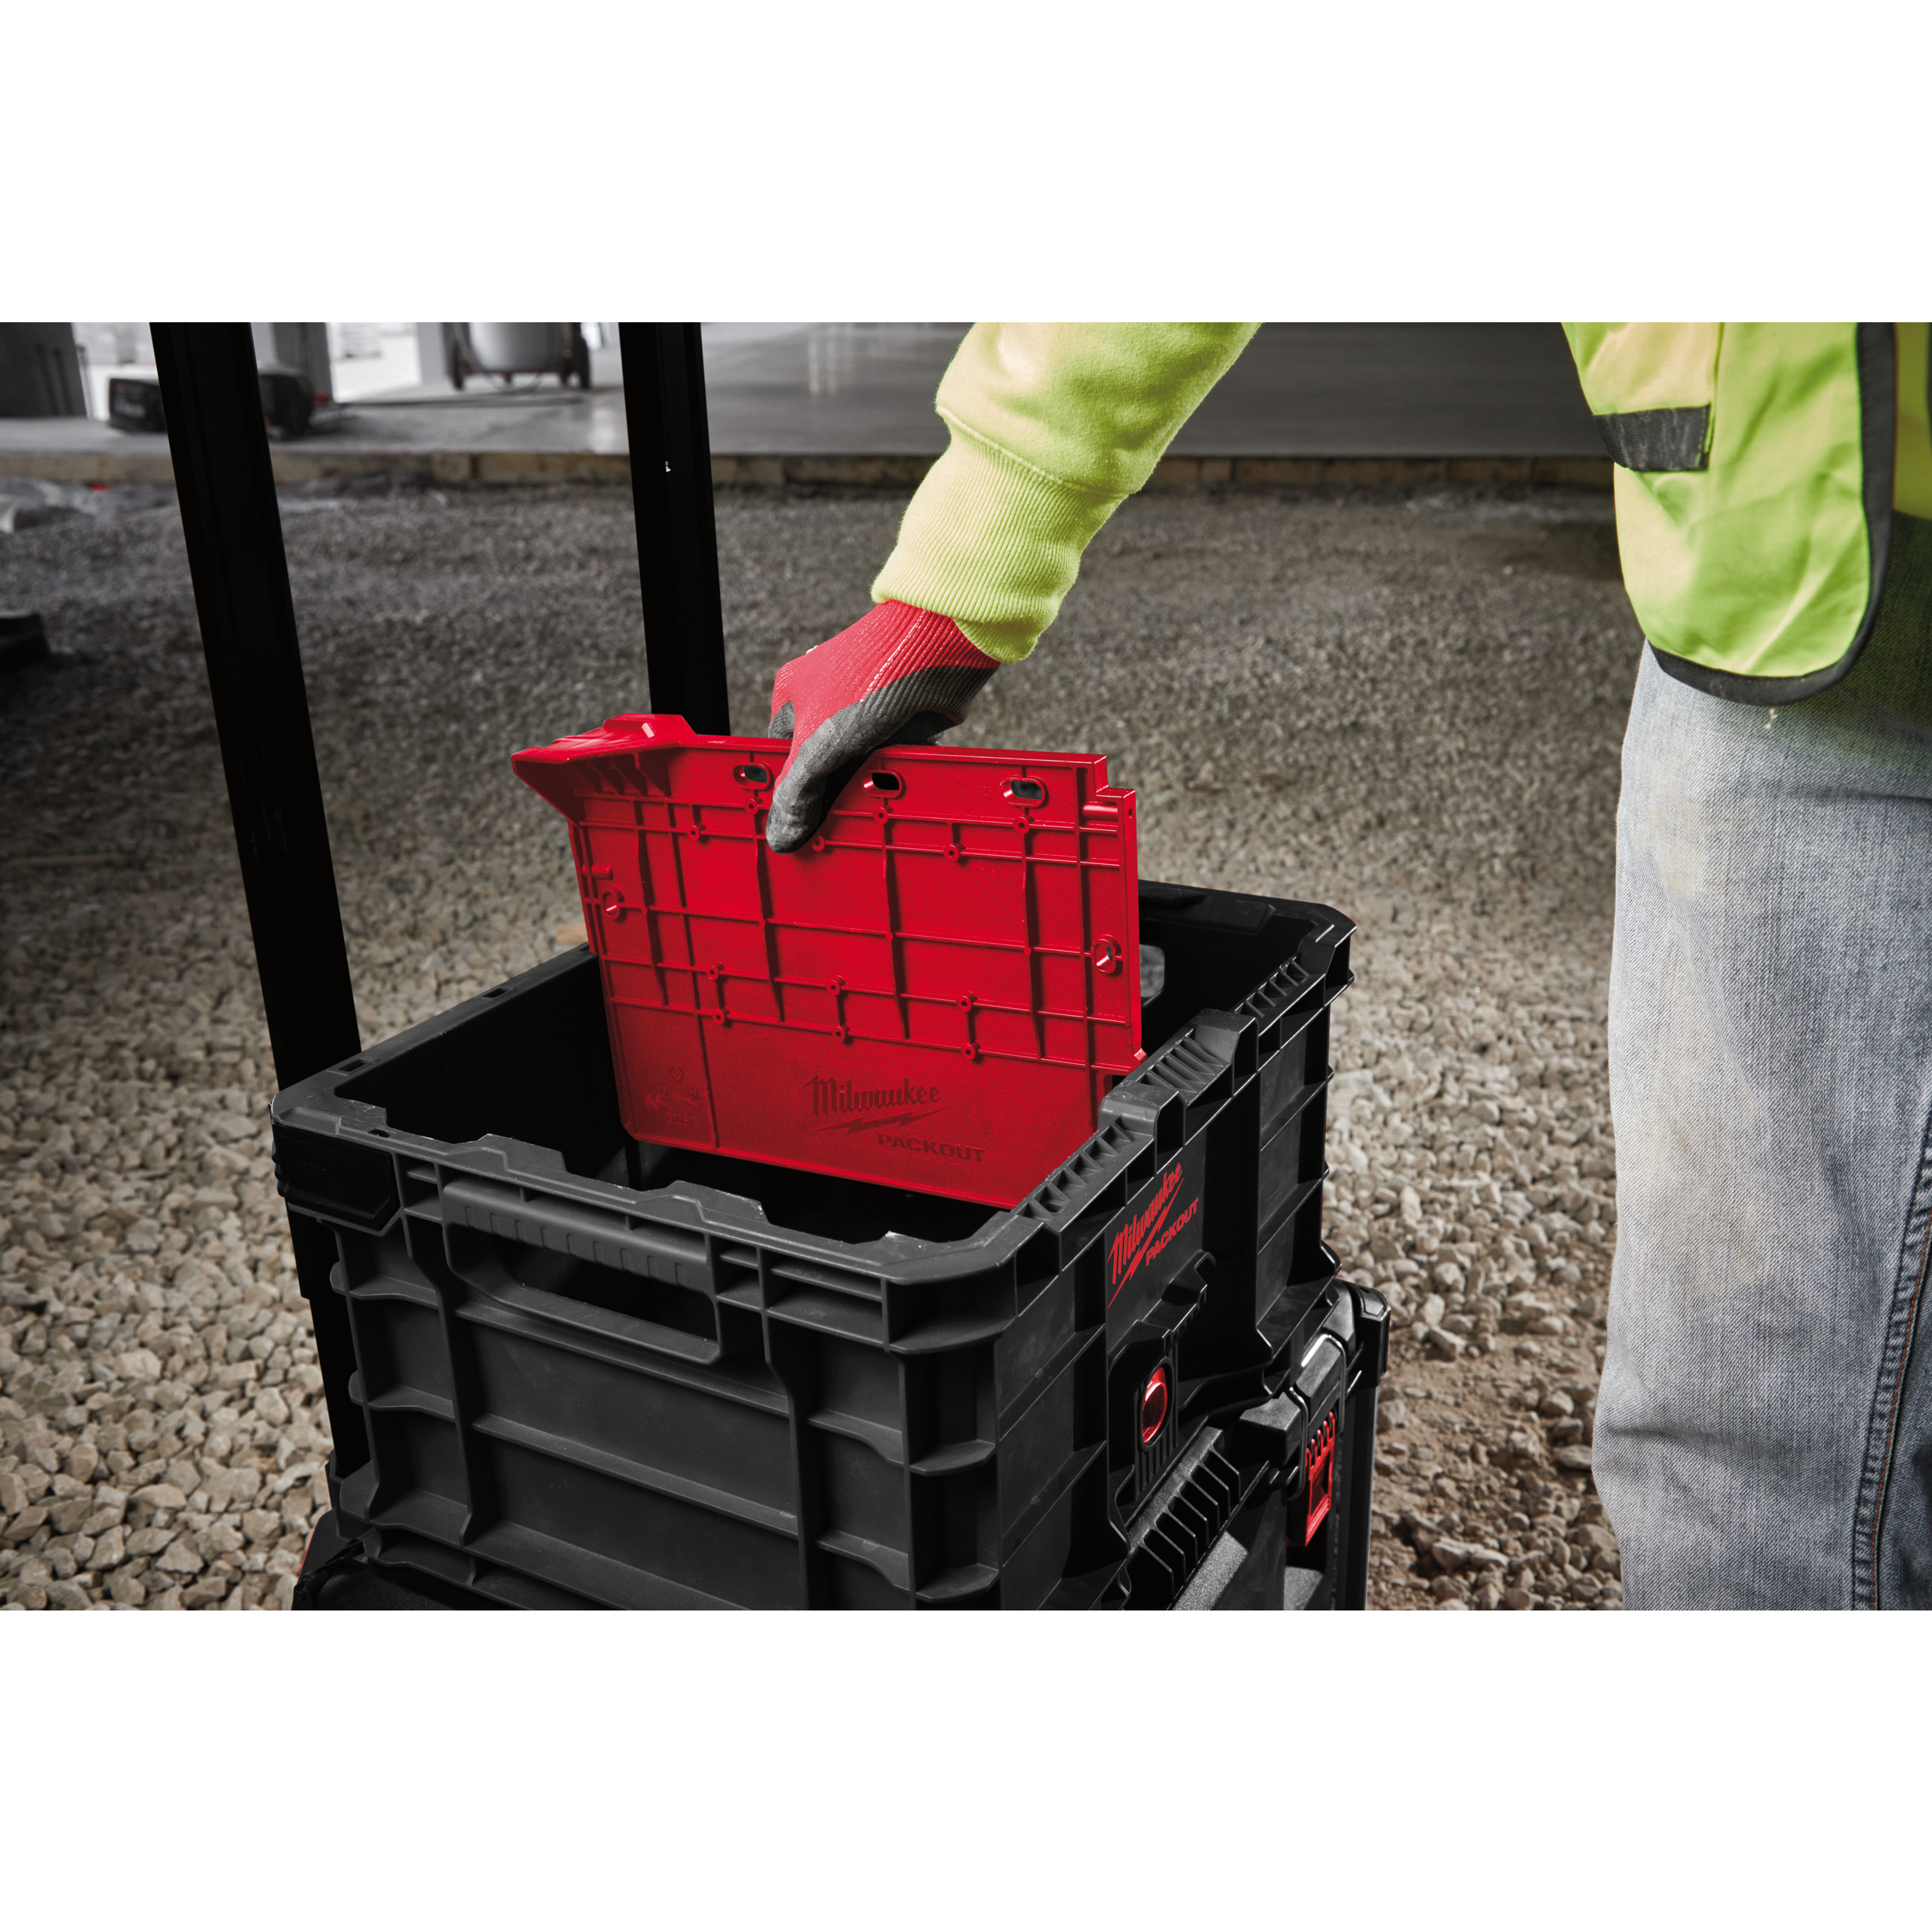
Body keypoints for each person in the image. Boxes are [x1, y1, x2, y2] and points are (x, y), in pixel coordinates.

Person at [764, 322, 1932, 1610]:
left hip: (1838, 648)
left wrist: (956, 576)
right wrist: (956, 572)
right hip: (1800, 594)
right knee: (1796, 1439)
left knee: (1777, 1467)